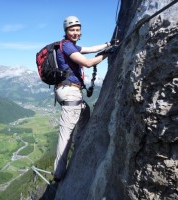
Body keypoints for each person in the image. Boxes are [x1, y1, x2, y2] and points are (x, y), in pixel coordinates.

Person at [53, 16, 112, 182]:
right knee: (66, 132)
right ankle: (58, 172)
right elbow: (87, 63)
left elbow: (91, 48)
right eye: (72, 29)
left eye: (78, 29)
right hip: (70, 92)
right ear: (66, 31)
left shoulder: (71, 46)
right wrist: (107, 54)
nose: (75, 32)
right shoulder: (66, 47)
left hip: (69, 91)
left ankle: (79, 144)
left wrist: (108, 44)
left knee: (84, 113)